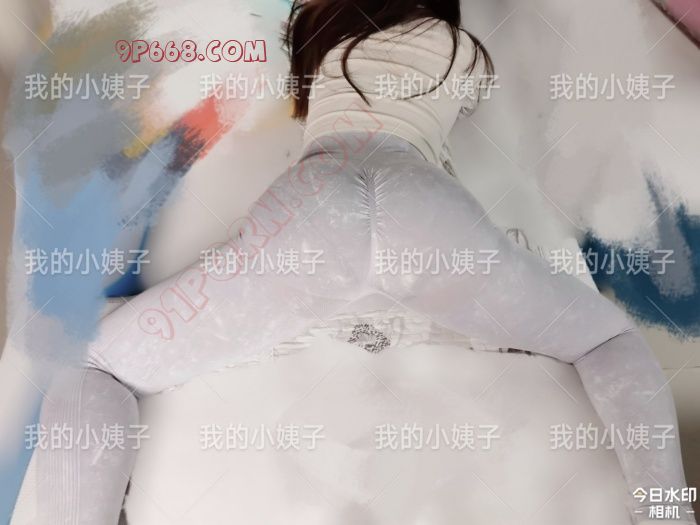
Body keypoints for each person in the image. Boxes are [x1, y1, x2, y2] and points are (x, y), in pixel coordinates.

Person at [25, 1, 695, 523]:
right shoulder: (463, 49)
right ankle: (667, 512)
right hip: (422, 207)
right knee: (606, 340)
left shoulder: (312, 29)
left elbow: (299, 103)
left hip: (317, 206)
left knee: (97, 362)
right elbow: (469, 102)